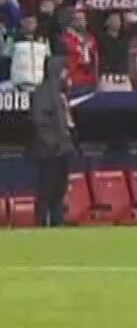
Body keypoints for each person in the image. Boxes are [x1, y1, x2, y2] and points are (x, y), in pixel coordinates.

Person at [28, 48, 74, 227]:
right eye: (64, 70)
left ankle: (57, 222)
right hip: (48, 151)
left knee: (59, 190)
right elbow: (40, 121)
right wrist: (54, 142)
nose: (67, 74)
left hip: (62, 150)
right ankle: (41, 223)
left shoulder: (61, 94)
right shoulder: (43, 92)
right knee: (47, 189)